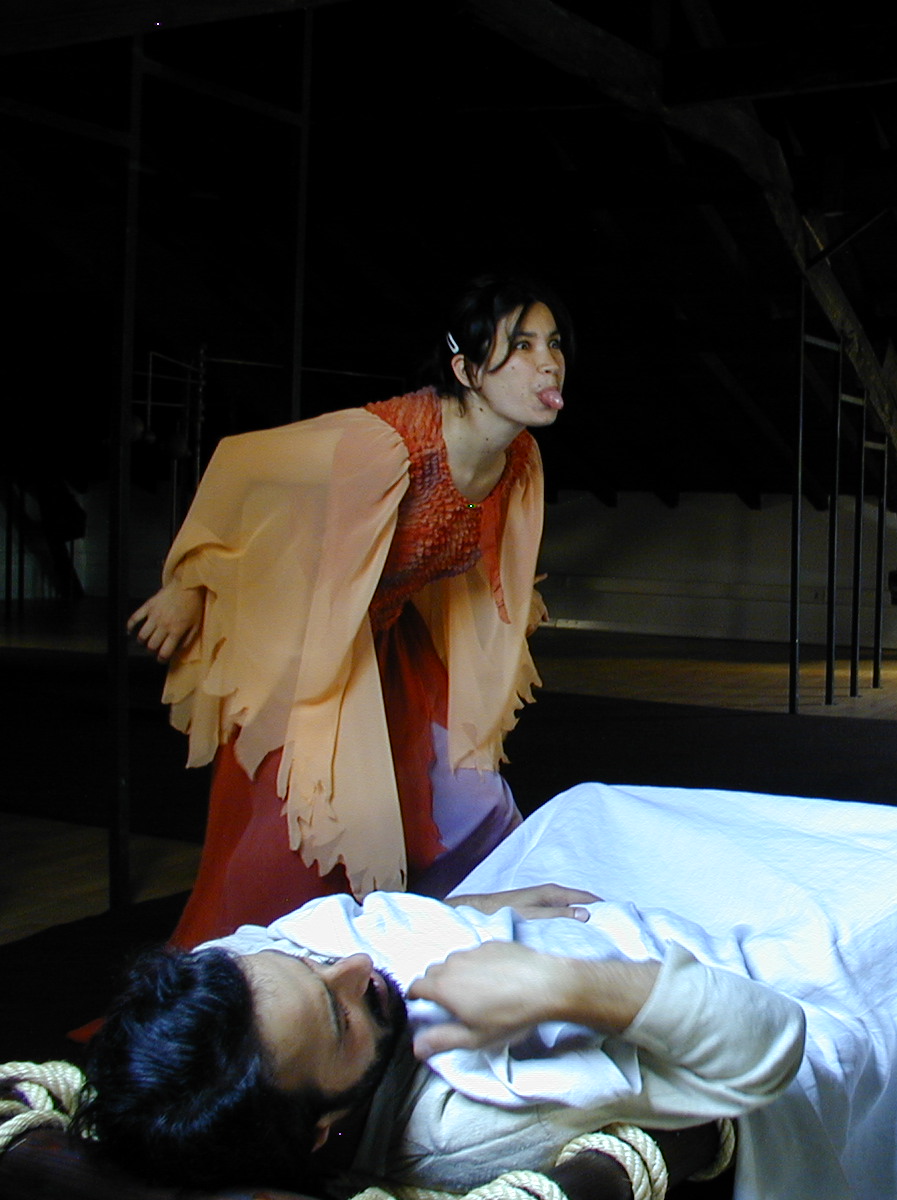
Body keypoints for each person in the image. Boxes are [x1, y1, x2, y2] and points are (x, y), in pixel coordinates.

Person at [75, 782, 897, 1200]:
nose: (354, 970)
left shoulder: (248, 999)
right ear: (323, 1132)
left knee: (584, 804)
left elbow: (333, 935)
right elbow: (773, 1046)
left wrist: (480, 909)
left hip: (550, 915)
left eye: (309, 963)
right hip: (690, 972)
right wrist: (566, 985)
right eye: (340, 1012)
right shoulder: (475, 1123)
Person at [127, 274, 568, 947]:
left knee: (469, 802)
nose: (549, 363)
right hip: (306, 643)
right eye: (523, 346)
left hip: (383, 639)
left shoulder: (518, 459)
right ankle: (250, 975)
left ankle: (431, 946)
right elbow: (244, 464)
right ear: (466, 371)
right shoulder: (388, 445)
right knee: (306, 837)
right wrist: (191, 580)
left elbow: (487, 574)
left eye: (554, 344)